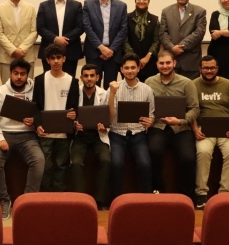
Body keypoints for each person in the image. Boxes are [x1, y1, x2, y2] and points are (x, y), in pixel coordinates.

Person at [0, 59, 45, 219]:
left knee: (39, 161)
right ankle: (3, 200)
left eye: (22, 74)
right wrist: (0, 139)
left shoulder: (35, 91)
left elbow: (41, 112)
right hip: (3, 134)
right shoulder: (0, 92)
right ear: (10, 73)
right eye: (16, 73)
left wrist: (35, 121)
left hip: (28, 136)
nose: (19, 77)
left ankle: (28, 201)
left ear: (28, 75)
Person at [145, 50, 199, 199]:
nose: (165, 66)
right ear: (157, 65)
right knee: (154, 151)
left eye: (168, 63)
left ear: (174, 63)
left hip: (181, 128)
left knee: (188, 158)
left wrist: (180, 121)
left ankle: (186, 196)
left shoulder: (187, 83)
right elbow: (146, 107)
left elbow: (195, 109)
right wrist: (150, 119)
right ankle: (158, 190)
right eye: (161, 63)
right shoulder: (149, 82)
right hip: (158, 126)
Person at [192, 55, 229, 209]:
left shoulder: (228, 84)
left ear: (217, 69)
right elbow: (190, 110)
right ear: (200, 69)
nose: (209, 71)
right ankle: (201, 193)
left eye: (212, 68)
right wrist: (195, 129)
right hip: (204, 129)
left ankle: (225, 194)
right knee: (203, 152)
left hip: (227, 128)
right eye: (206, 68)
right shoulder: (193, 85)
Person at [108, 54, 155, 200]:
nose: (130, 71)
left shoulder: (147, 89)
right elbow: (109, 117)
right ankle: (116, 200)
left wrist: (151, 121)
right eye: (126, 68)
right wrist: (112, 94)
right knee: (116, 164)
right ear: (121, 69)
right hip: (117, 133)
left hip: (138, 133)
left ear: (138, 68)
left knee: (145, 163)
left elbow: (152, 114)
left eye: (133, 67)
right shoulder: (113, 88)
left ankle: (145, 200)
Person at [33, 44, 79, 192]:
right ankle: (45, 195)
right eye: (52, 58)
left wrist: (74, 114)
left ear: (64, 58)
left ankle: (60, 195)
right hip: (45, 132)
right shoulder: (40, 80)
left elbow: (75, 107)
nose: (56, 61)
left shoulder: (72, 81)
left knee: (61, 165)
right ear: (47, 60)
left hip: (64, 133)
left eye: (59, 57)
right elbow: (35, 106)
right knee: (45, 166)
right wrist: (37, 125)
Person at [70, 64, 110, 209]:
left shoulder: (104, 94)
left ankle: (99, 200)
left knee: (106, 160)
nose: (89, 79)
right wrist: (75, 124)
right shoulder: (75, 93)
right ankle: (80, 200)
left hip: (98, 136)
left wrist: (104, 126)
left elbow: (109, 117)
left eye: (92, 76)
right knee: (75, 162)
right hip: (80, 136)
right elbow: (69, 114)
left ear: (97, 77)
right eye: (86, 76)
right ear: (81, 78)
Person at [82, 0, 128, 87]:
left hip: (113, 54)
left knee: (110, 87)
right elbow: (87, 27)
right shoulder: (88, 4)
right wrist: (101, 48)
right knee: (92, 87)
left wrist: (110, 50)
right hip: (94, 53)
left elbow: (123, 30)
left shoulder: (121, 6)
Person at [36, 0, 84, 77]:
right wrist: (55, 39)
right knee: (49, 82)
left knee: (69, 82)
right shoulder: (44, 6)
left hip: (71, 51)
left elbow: (80, 27)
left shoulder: (76, 5)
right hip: (49, 52)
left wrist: (64, 40)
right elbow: (40, 27)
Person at [0, 0, 38, 83]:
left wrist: (22, 49)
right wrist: (13, 50)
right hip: (7, 57)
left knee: (27, 88)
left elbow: (34, 32)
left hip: (27, 56)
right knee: (7, 89)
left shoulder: (31, 8)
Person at [159, 0, 207, 79]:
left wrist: (181, 47)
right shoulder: (166, 11)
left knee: (190, 87)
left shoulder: (199, 11)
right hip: (170, 60)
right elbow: (163, 33)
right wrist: (172, 48)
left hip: (191, 61)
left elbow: (199, 33)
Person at [124, 0, 160, 82]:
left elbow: (156, 41)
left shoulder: (155, 19)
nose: (141, 1)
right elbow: (124, 39)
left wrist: (147, 57)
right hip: (130, 63)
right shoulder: (127, 18)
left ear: (149, 1)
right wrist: (134, 58)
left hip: (150, 62)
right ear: (135, 0)